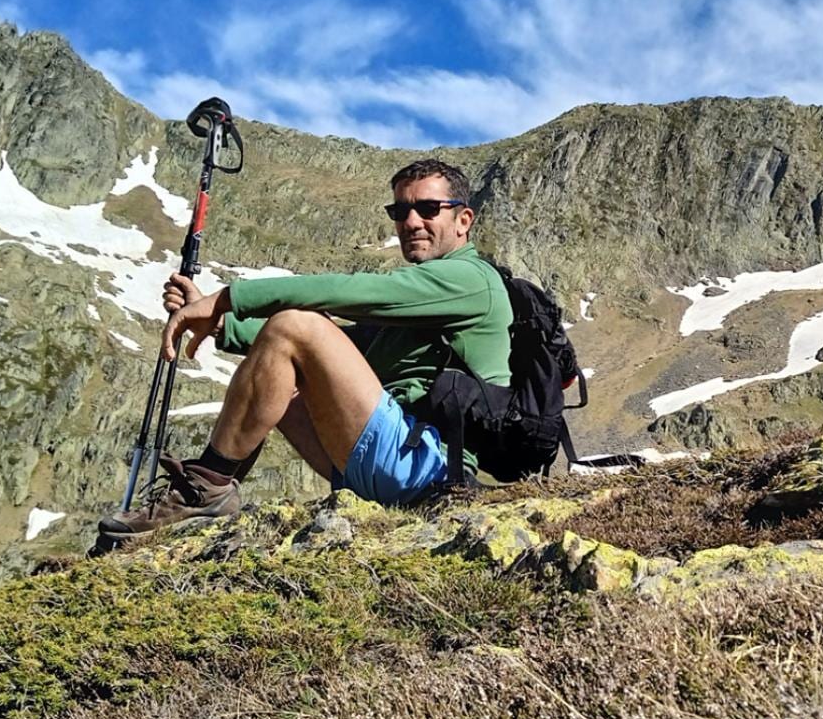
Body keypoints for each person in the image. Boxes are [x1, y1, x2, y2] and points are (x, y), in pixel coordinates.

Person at [98, 159, 513, 540]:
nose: (410, 221)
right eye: (399, 211)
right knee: (286, 372)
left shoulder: (471, 279)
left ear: (463, 220)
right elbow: (341, 348)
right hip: (392, 459)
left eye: (427, 209)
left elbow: (347, 292)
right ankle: (209, 492)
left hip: (429, 469)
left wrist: (228, 298)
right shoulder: (429, 299)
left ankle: (206, 487)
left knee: (296, 325)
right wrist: (224, 324)